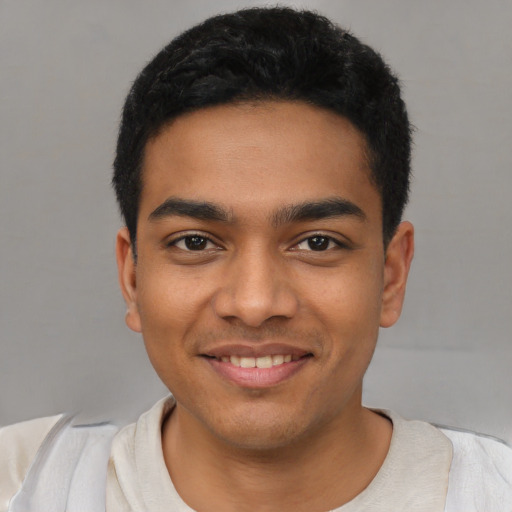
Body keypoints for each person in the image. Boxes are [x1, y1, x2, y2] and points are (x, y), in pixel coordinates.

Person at [1, 6, 510, 512]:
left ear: (391, 277)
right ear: (132, 276)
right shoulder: (24, 485)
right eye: (196, 242)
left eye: (317, 242)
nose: (254, 303)